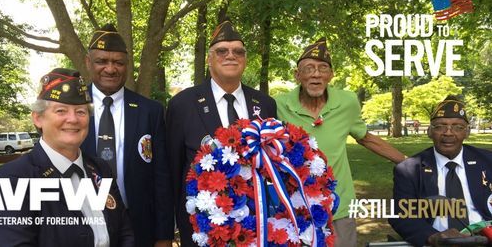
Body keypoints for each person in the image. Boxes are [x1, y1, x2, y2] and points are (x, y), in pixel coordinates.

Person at [275, 38, 406, 247]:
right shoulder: (279, 105)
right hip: (293, 206)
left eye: (323, 68)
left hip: (339, 205)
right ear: (297, 75)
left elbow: (365, 137)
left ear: (331, 75)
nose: (316, 74)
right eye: (309, 68)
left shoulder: (347, 102)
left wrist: (407, 162)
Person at [0, 68, 134, 246]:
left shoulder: (100, 169)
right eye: (61, 111)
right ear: (38, 118)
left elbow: (124, 233)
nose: (73, 119)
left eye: (81, 112)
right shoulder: (13, 179)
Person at [166, 20, 277, 246]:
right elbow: (173, 172)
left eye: (238, 51)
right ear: (209, 59)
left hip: (257, 226)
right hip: (204, 227)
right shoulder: (183, 104)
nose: (230, 56)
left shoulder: (265, 104)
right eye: (221, 51)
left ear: (245, 59)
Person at [80, 24, 174, 247]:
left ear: (127, 65)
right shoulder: (71, 109)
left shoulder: (150, 111)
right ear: (88, 62)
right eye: (102, 61)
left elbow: (161, 179)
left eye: (118, 62)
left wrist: (163, 235)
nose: (110, 69)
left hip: (139, 227)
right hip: (81, 226)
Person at [389, 96, 492, 246]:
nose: (448, 133)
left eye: (458, 127)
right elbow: (401, 215)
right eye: (440, 126)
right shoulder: (409, 169)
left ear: (467, 132)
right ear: (429, 132)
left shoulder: (488, 161)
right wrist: (432, 236)